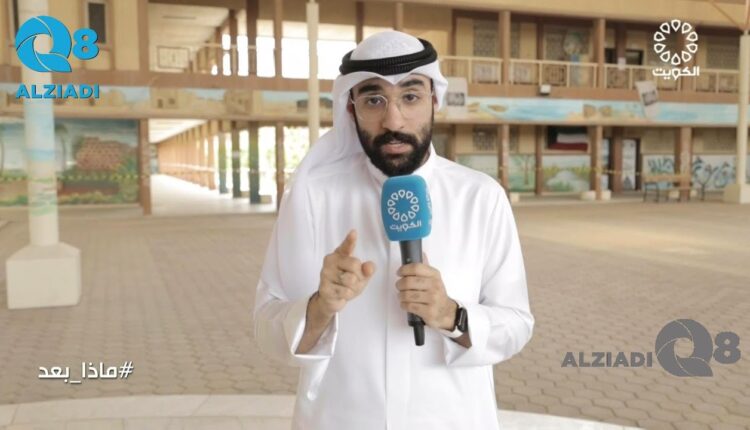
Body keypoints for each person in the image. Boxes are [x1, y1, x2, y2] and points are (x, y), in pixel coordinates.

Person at [253, 30, 534, 430]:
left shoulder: (480, 198)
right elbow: (267, 327)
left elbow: (517, 324)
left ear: (434, 100)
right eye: (374, 100)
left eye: (410, 96)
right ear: (351, 108)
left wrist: (451, 315)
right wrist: (318, 308)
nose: (393, 120)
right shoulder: (311, 197)